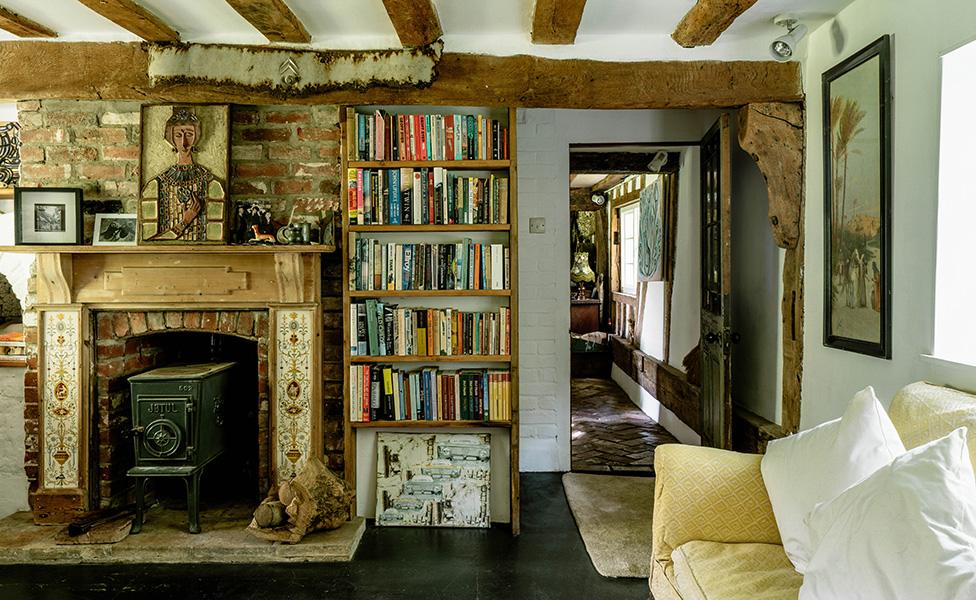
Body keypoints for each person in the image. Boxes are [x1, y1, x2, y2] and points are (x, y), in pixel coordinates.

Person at [142, 106, 225, 242]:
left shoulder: (212, 185)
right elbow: (148, 240)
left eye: (189, 134)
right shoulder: (155, 186)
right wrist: (185, 221)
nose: (184, 143)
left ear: (197, 137)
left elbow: (216, 240)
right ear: (171, 139)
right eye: (178, 135)